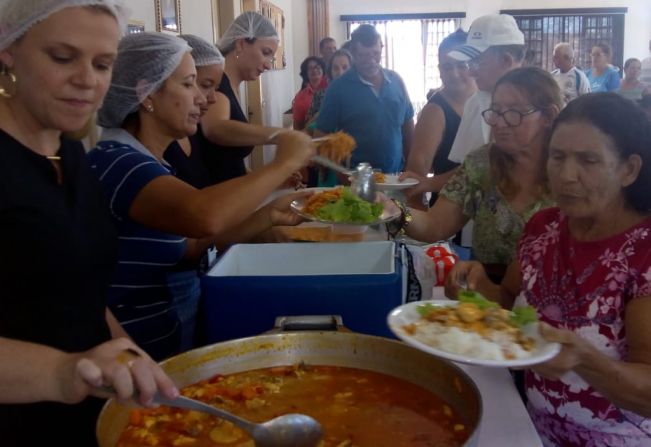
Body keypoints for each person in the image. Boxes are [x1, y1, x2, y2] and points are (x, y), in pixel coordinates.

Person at [0, 1, 178, 445]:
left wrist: (133, 357)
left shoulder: (69, 153)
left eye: (103, 64)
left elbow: (81, 291)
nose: (88, 80)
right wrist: (62, 371)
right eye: (62, 57)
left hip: (92, 414)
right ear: (8, 52)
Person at [89, 32, 315, 361]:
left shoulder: (153, 162)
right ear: (147, 93)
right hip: (127, 357)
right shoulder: (118, 161)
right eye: (188, 84)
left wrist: (266, 216)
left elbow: (193, 246)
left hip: (160, 343)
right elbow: (203, 215)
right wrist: (285, 161)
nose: (202, 99)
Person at [448, 93, 651, 446]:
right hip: (525, 424)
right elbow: (510, 307)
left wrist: (585, 361)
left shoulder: (643, 253)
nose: (567, 176)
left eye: (588, 160)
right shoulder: (544, 228)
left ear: (629, 170)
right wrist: (477, 289)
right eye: (557, 157)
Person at [392, 67, 561, 282]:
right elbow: (434, 226)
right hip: (483, 302)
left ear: (548, 116)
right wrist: (395, 212)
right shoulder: (482, 164)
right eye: (496, 111)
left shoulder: (570, 174)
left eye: (513, 113)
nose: (499, 123)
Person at [200, 11, 287, 184]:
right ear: (240, 44)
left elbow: (231, 163)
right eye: (265, 52)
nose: (268, 64)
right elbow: (215, 128)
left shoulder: (232, 87)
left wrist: (272, 180)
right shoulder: (219, 85)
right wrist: (281, 135)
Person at [315, 24, 414, 173]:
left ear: (381, 47)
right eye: (364, 55)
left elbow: (408, 126)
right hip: (355, 181)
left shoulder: (396, 81)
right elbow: (322, 136)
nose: (371, 61)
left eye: (375, 54)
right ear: (353, 53)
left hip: (396, 178)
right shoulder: (338, 88)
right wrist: (342, 176)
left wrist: (410, 169)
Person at [402, 29, 477, 209]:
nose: (454, 73)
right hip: (447, 214)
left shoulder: (490, 99)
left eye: (462, 65)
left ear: (476, 64)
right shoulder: (434, 112)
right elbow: (414, 180)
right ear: (440, 70)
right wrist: (419, 231)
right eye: (447, 67)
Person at [445, 14, 525, 164]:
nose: (470, 72)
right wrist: (427, 183)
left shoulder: (538, 107)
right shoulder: (475, 103)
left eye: (477, 63)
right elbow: (469, 169)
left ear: (506, 61)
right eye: (470, 64)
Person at [163, 34, 225, 189]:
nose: (209, 99)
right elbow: (196, 208)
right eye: (205, 85)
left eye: (216, 89)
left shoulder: (192, 130)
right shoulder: (140, 155)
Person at [292, 56, 327, 130]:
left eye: (317, 67)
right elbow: (297, 125)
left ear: (323, 70)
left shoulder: (331, 89)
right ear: (306, 73)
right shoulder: (300, 97)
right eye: (310, 68)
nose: (314, 70)